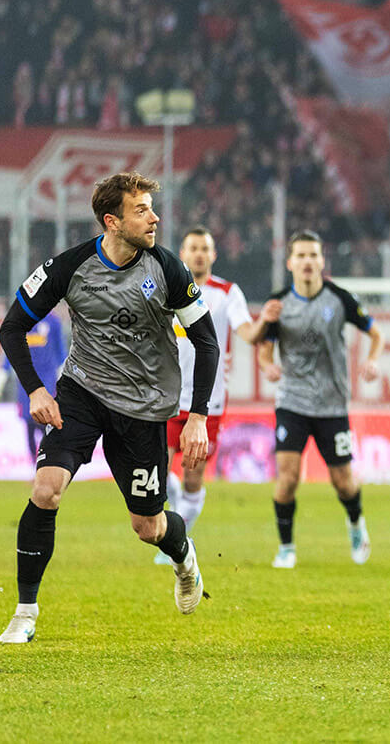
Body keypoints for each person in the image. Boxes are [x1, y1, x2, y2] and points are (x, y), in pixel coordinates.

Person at [0, 172, 218, 643]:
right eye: (142, 210)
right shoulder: (70, 266)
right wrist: (36, 389)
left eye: (152, 208)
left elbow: (207, 342)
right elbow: (12, 327)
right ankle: (25, 612)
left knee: (148, 525)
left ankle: (183, 558)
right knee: (46, 489)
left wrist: (197, 415)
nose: (155, 217)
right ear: (112, 221)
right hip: (82, 393)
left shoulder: (168, 269)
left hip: (143, 408)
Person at [256, 230, 383, 569]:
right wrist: (268, 367)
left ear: (322, 261)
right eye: (301, 256)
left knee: (343, 482)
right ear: (290, 263)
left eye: (313, 255)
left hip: (332, 404)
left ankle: (356, 524)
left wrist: (372, 360)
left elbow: (375, 333)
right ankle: (286, 548)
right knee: (288, 478)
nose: (308, 261)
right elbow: (264, 351)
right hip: (292, 402)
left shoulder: (340, 298)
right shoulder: (279, 304)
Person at [152, 227, 271, 564]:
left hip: (207, 401)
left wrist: (265, 325)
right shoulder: (166, 286)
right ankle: (170, 529)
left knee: (192, 475)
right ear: (183, 252)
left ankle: (179, 540)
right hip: (166, 395)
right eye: (193, 248)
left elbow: (247, 332)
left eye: (205, 248)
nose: (200, 254)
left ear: (213, 255)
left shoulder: (226, 293)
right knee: (155, 470)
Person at [0, 310, 68, 456]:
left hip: (47, 379)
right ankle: (34, 466)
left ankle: (49, 460)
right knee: (29, 423)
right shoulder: (20, 320)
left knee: (45, 420)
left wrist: (63, 376)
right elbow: (12, 348)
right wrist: (3, 372)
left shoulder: (53, 322)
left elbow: (61, 352)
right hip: (25, 379)